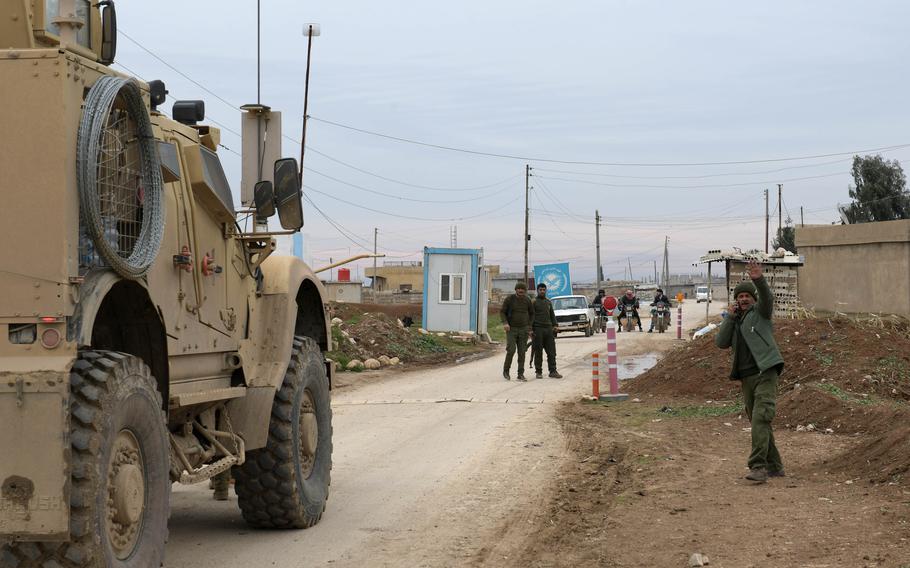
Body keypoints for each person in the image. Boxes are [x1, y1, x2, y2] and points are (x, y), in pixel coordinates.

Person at [715, 261, 785, 484]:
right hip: (746, 378)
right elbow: (721, 342)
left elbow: (768, 299)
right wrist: (731, 318)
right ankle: (775, 466)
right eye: (740, 297)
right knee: (759, 421)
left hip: (766, 372)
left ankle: (758, 467)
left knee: (761, 417)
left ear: (753, 299)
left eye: (747, 296)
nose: (743, 299)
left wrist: (758, 280)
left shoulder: (761, 314)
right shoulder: (736, 320)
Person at [500, 281, 534, 381]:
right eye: (519, 289)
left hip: (524, 329)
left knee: (522, 352)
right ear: (516, 290)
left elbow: (532, 314)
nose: (520, 291)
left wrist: (529, 326)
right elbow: (502, 312)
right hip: (511, 329)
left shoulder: (527, 300)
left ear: (525, 291)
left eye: (522, 289)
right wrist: (505, 323)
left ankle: (520, 374)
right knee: (511, 350)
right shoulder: (509, 299)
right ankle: (506, 371)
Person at [531, 283, 563, 379]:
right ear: (537, 290)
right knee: (538, 352)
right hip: (538, 329)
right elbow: (530, 317)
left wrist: (555, 325)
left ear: (546, 291)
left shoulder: (548, 302)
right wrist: (530, 330)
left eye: (544, 290)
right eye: (540, 290)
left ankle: (553, 371)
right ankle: (538, 372)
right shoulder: (533, 302)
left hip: (548, 330)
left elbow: (552, 315)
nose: (542, 291)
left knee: (551, 351)